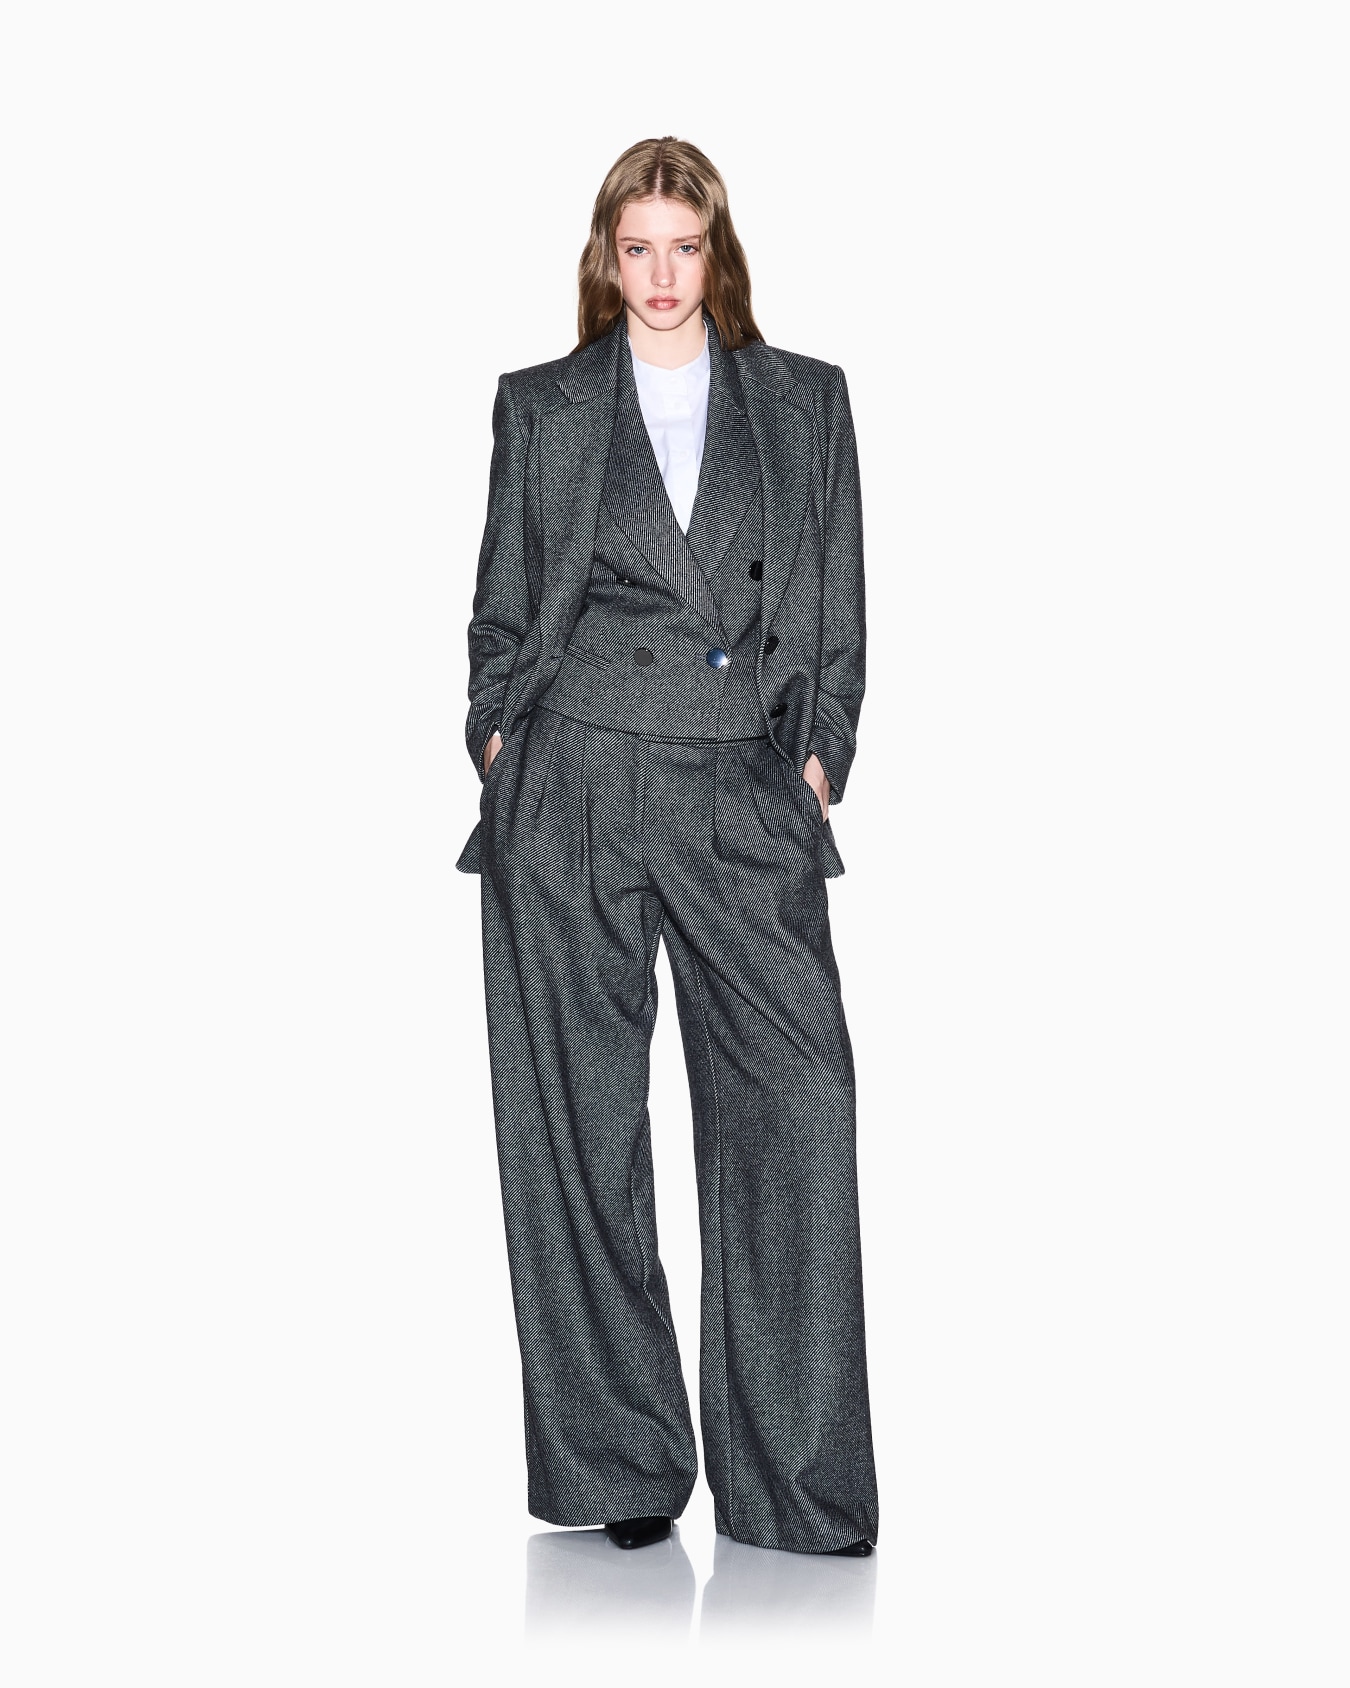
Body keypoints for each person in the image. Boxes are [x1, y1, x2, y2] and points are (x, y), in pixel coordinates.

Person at [456, 137, 878, 1557]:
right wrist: (497, 740)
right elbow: (501, 607)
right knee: (575, 1125)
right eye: (635, 248)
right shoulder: (544, 405)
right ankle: (620, 1465)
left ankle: (797, 1481)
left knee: (800, 1104)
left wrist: (819, 755)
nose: (658, 274)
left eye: (682, 247)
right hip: (572, 771)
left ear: (716, 253)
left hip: (741, 781)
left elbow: (833, 604)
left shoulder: (803, 402)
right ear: (606, 256)